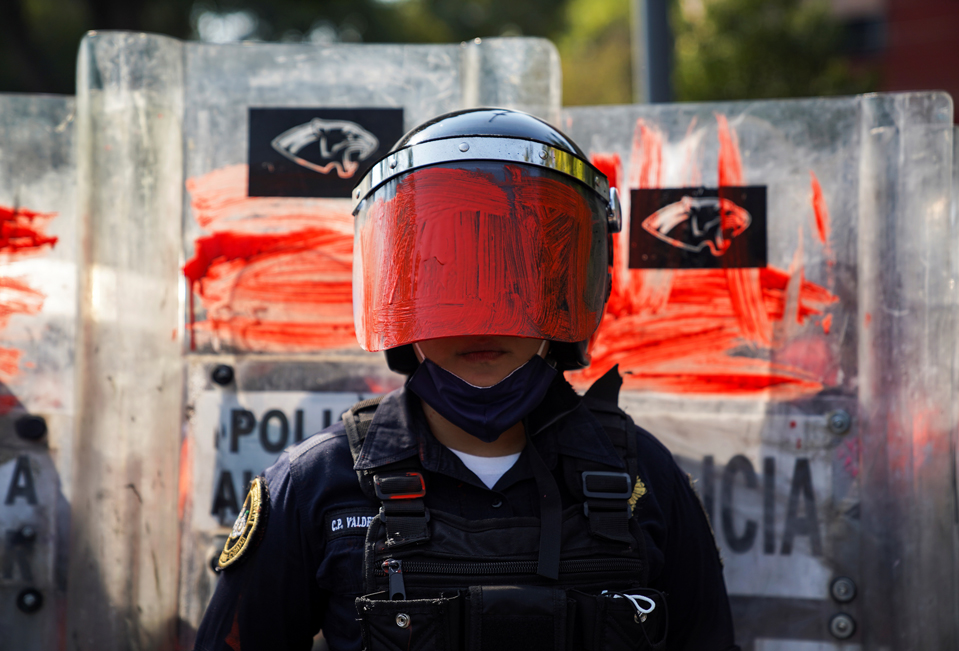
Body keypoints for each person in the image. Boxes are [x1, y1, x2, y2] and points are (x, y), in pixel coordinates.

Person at [194, 108, 739, 651]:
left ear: (568, 284)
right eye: (445, 274)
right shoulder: (315, 482)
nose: (482, 315)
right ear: (397, 287)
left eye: (514, 276)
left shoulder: (643, 477)